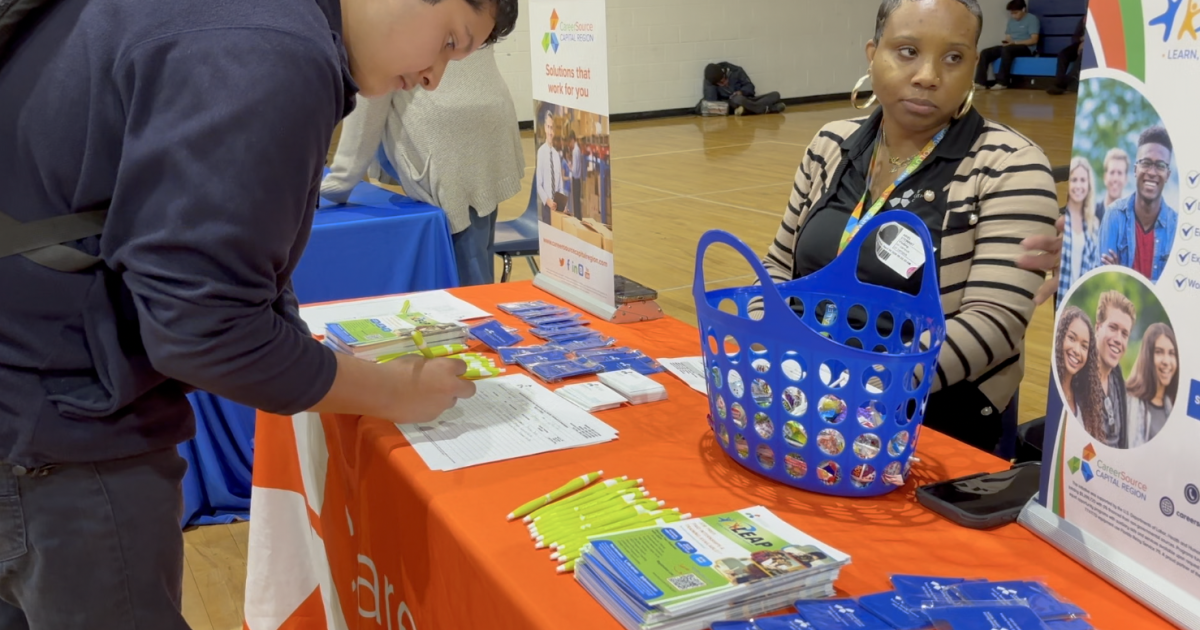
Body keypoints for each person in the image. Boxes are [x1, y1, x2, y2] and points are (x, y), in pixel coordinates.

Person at [0, 0, 517, 626]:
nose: (435, 76)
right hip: (58, 425)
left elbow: (234, 265)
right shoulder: (271, 45)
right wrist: (388, 390)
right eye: (449, 42)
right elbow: (206, 330)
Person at [753, 0, 1059, 454]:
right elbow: (779, 264)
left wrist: (861, 388)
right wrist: (770, 350)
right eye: (908, 51)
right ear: (872, 54)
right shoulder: (831, 144)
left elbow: (995, 324)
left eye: (953, 58)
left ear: (974, 65)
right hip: (805, 394)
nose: (928, 75)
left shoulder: (1011, 166)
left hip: (935, 417)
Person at [321, 46, 524, 287]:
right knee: (477, 251)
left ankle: (479, 320)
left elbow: (369, 103)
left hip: (450, 140)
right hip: (487, 120)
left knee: (467, 273)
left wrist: (340, 182)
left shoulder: (385, 16)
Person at [1099, 126, 1178, 282]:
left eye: (1160, 165)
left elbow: (1172, 291)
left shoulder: (1176, 226)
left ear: (1168, 174)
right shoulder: (1114, 215)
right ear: (1135, 169)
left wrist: (1121, 275)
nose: (1152, 172)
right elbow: (1105, 280)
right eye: (1146, 163)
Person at [1092, 291, 1136, 448]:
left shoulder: (1118, 382)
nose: (1118, 339)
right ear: (1097, 328)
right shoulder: (1078, 378)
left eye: (1124, 334)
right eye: (1113, 328)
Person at [1124, 323, 1178, 447]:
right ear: (1148, 356)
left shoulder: (1172, 407)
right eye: (1159, 352)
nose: (1166, 361)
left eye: (1171, 353)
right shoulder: (1128, 401)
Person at [1057, 157, 1101, 304]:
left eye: (1083, 180)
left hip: (1079, 302)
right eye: (1074, 180)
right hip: (1059, 296)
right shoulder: (1060, 218)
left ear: (1089, 185)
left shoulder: (1093, 225)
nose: (1078, 185)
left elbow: (1094, 268)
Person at [1054, 306, 1105, 431]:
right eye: (1071, 338)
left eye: (1084, 346)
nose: (1077, 351)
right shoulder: (1051, 387)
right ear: (1060, 337)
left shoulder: (1084, 400)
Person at [974, 0, 1040, 91]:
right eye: (1012, 13)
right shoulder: (1011, 21)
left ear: (1023, 9)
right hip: (1012, 46)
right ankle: (980, 82)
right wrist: (1008, 42)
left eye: (1016, 13)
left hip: (1026, 48)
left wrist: (1015, 43)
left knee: (1007, 50)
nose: (1013, 15)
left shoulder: (1032, 19)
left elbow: (1034, 40)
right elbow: (1008, 37)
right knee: (985, 52)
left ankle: (1002, 82)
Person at [703, 62, 786, 116]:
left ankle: (746, 110)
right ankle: (767, 109)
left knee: (776, 95)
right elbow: (711, 103)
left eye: (723, 80)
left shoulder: (737, 71)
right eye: (720, 84)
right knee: (737, 99)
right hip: (730, 105)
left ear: (724, 73)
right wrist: (711, 86)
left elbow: (750, 87)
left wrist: (742, 92)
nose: (724, 83)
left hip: (747, 99)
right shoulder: (710, 81)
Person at [536, 109, 566, 223]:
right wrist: (547, 201)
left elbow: (560, 185)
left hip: (558, 209)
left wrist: (562, 204)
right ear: (544, 128)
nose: (550, 131)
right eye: (548, 127)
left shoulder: (557, 155)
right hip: (547, 207)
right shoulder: (541, 152)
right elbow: (539, 184)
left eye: (552, 127)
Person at [1046, 17, 1086, 96]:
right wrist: (1081, 40)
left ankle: (1064, 83)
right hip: (1081, 44)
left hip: (1096, 47)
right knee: (1063, 54)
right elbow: (1075, 37)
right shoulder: (1084, 19)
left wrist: (1088, 41)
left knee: (1083, 55)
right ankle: (1058, 82)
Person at [1097, 148, 1130, 222]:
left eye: (1120, 173)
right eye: (1112, 172)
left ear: (1126, 179)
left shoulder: (1131, 218)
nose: (1115, 178)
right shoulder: (1092, 213)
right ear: (1105, 177)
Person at [570, 132, 585, 220]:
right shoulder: (578, 149)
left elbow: (575, 168)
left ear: (572, 140)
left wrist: (571, 168)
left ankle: (577, 218)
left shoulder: (575, 151)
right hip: (578, 178)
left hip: (575, 178)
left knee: (575, 200)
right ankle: (578, 217)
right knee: (577, 200)